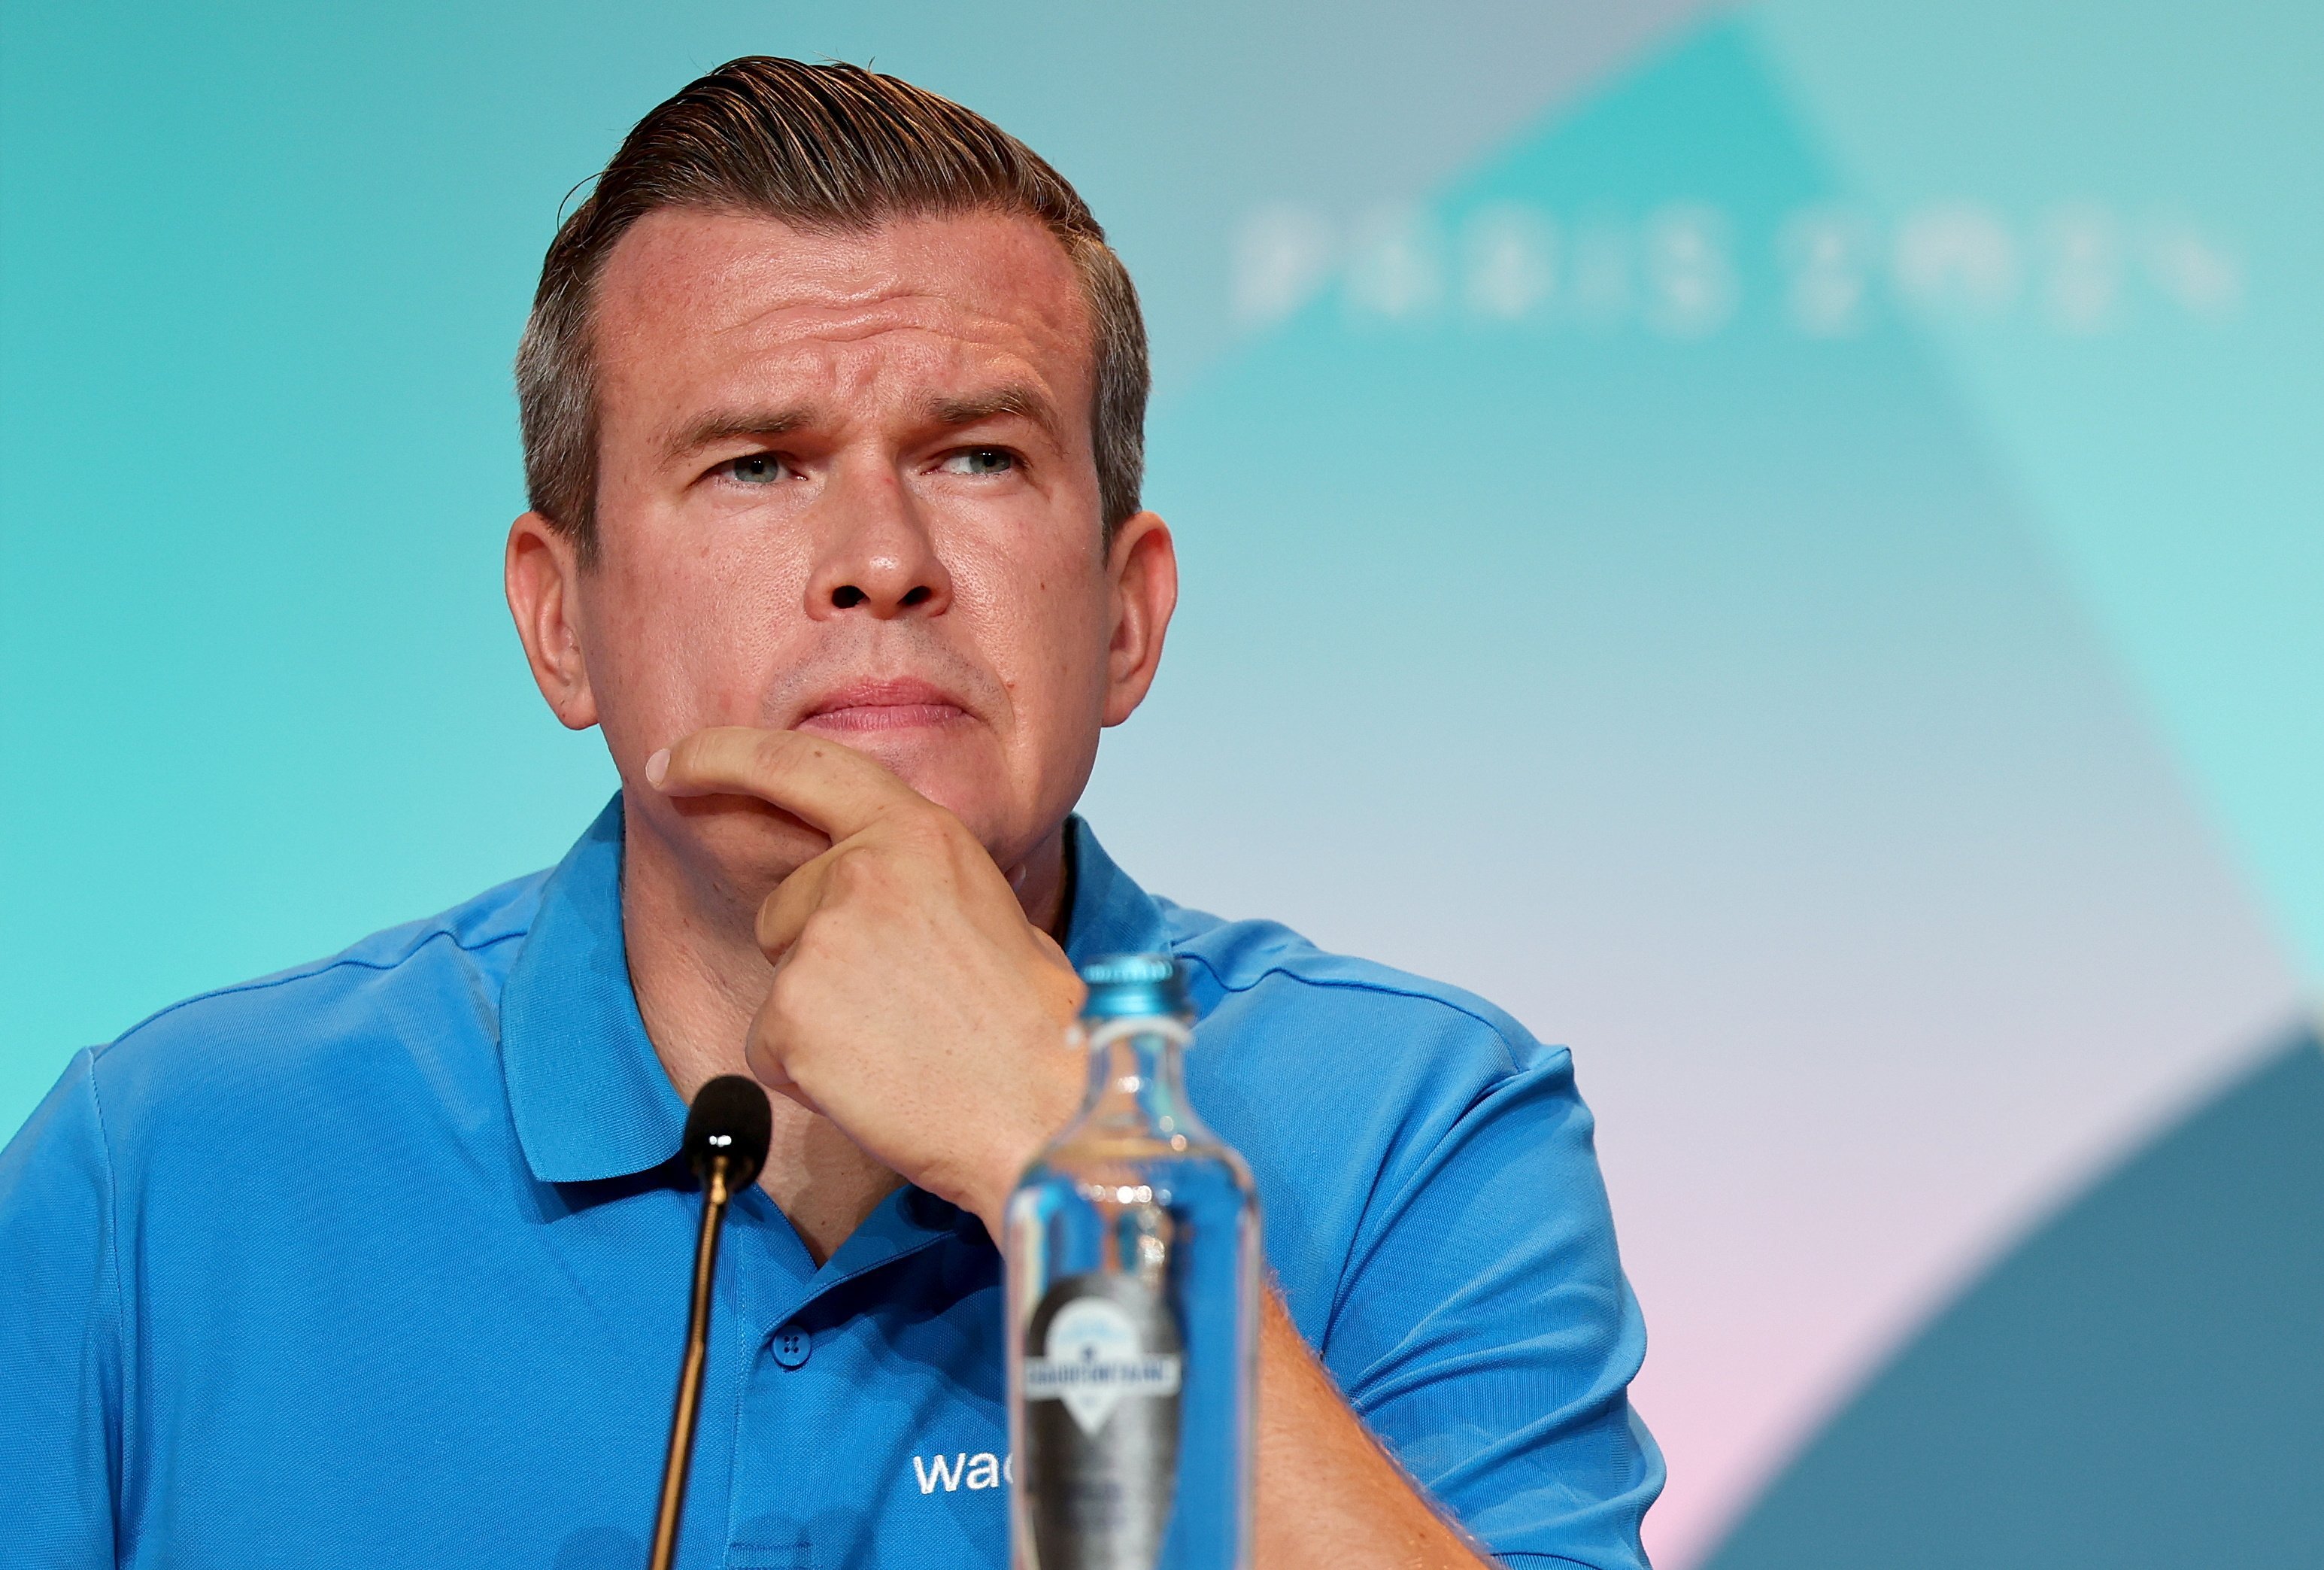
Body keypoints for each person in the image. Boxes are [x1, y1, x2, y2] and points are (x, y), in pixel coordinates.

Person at [0, 58, 1661, 1569]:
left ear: (1127, 616)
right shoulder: (163, 1176)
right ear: (560, 619)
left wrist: (1060, 1159)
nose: (883, 554)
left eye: (979, 457)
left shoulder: (1405, 1132)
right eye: (757, 464)